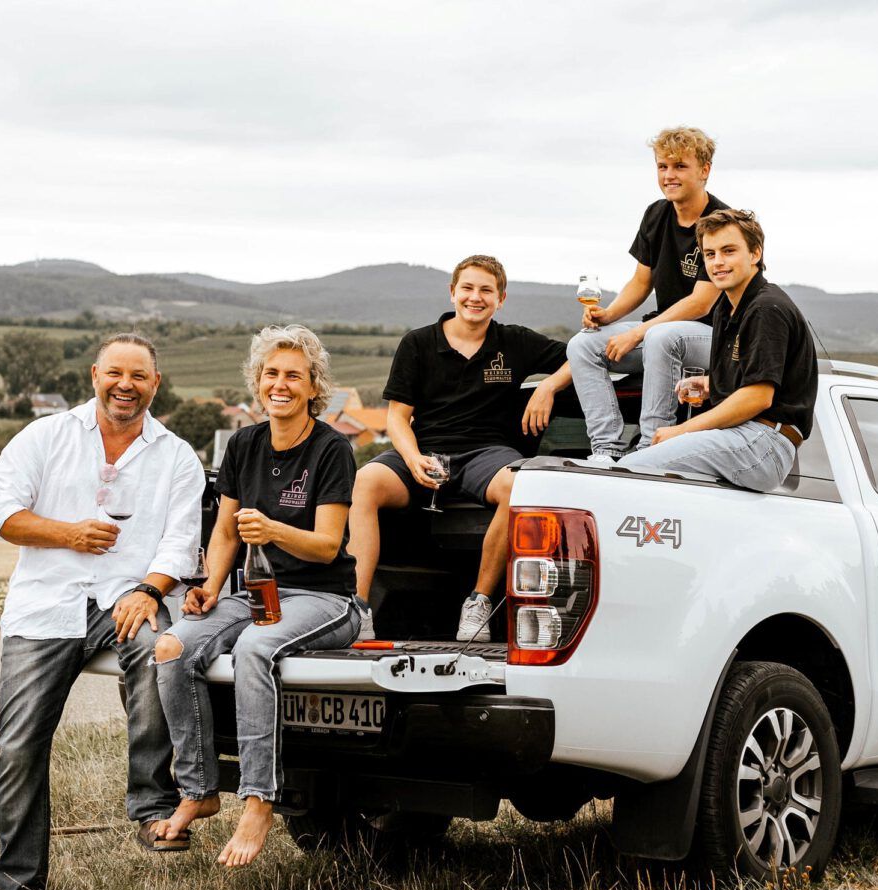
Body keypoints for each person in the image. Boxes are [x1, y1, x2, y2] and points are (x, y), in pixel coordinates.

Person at [0, 333, 204, 890]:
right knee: (19, 748)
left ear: (156, 384)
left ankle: (150, 803)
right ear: (94, 374)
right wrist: (67, 535)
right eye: (115, 373)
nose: (125, 385)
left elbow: (181, 542)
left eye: (139, 376)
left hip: (125, 599)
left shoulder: (176, 455)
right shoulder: (46, 436)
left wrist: (150, 589)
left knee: (161, 648)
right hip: (45, 606)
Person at [150, 325, 361, 867]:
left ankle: (259, 799)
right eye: (271, 374)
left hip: (327, 600)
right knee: (173, 647)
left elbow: (327, 545)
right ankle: (198, 789)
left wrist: (272, 530)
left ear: (314, 386)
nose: (280, 385)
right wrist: (210, 587)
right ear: (257, 381)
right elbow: (223, 532)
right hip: (255, 594)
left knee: (253, 650)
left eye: (294, 375)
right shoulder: (244, 443)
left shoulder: (332, 448)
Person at [348, 254, 572, 642]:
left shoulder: (515, 341)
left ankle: (478, 603)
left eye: (486, 290)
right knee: (364, 481)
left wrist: (549, 386)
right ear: (453, 293)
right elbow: (397, 419)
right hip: (425, 450)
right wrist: (413, 458)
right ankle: (357, 610)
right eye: (467, 288)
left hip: (487, 454)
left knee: (521, 486)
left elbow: (582, 356)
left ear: (501, 299)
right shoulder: (417, 343)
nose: (476, 297)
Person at [618, 209, 818, 492]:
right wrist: (711, 384)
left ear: (755, 254)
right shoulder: (726, 307)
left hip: (765, 443)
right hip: (742, 435)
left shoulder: (766, 309)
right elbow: (752, 378)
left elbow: (757, 398)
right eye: (710, 254)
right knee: (655, 479)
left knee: (633, 469)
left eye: (728, 251)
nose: (718, 262)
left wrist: (680, 430)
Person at [568, 126, 728, 465]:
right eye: (662, 167)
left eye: (679, 166)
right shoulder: (656, 214)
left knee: (660, 335)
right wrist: (608, 315)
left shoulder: (721, 223)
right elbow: (641, 283)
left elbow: (701, 302)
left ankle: (649, 449)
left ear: (704, 170)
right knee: (583, 343)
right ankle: (607, 449)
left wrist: (638, 332)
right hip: (663, 335)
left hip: (717, 339)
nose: (669, 175)